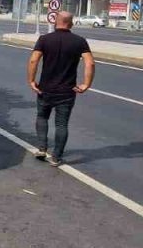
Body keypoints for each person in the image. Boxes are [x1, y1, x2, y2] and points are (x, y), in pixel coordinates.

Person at [26, 11, 94, 166]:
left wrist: (31, 81)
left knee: (42, 117)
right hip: (67, 91)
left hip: (45, 89)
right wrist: (86, 84)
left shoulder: (44, 39)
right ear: (71, 23)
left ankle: (42, 149)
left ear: (56, 22)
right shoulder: (79, 41)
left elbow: (33, 60)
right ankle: (56, 157)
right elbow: (90, 63)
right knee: (62, 124)